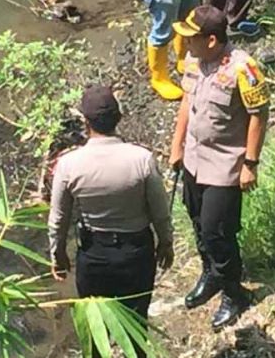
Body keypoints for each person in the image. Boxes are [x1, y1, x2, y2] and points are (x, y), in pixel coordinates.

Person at [48, 85, 174, 357]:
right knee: (136, 325)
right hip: (136, 253)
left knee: (95, 332)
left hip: (94, 255)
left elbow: (58, 219)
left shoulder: (69, 164)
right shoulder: (141, 159)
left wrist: (58, 254)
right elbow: (159, 211)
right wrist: (166, 242)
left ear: (85, 122)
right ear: (118, 118)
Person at [168, 5, 270, 330]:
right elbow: (187, 102)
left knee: (218, 231)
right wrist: (176, 146)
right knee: (197, 220)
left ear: (211, 40)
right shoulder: (194, 62)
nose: (185, 44)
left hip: (226, 164)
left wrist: (250, 163)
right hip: (195, 160)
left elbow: (259, 114)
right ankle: (210, 274)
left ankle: (233, 292)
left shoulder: (244, 68)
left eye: (191, 38)